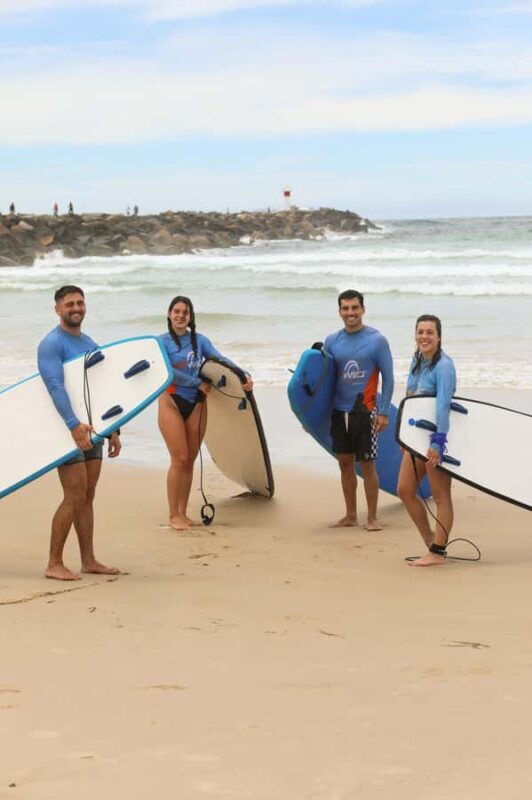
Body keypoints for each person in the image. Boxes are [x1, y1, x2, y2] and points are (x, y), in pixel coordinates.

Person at [37, 285, 121, 581]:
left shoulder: (89, 343)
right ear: (57, 309)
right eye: (69, 303)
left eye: (80, 302)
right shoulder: (51, 344)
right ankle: (54, 562)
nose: (76, 308)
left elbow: (100, 389)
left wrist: (113, 429)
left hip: (93, 429)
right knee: (73, 494)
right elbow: (55, 387)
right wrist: (73, 425)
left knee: (87, 495)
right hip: (67, 428)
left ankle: (88, 560)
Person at [158, 295, 253, 531]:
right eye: (176, 311)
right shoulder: (160, 343)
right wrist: (194, 382)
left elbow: (220, 359)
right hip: (171, 399)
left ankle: (182, 512)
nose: (181, 316)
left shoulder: (200, 341)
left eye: (185, 312)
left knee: (190, 459)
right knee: (179, 458)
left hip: (197, 402)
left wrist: (243, 375)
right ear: (169, 314)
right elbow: (167, 371)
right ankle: (172, 515)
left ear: (191, 317)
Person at [324, 289, 394, 530]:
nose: (350, 313)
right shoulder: (331, 341)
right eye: (345, 308)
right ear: (339, 311)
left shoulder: (377, 340)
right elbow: (324, 380)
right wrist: (312, 414)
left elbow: (389, 377)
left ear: (363, 309)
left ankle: (372, 518)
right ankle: (350, 515)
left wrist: (384, 411)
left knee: (367, 464)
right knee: (344, 463)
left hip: (365, 410)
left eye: (355, 308)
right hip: (338, 410)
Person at [397, 314, 456, 567]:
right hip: (416, 436)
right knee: (405, 490)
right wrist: (404, 433)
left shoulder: (444, 365)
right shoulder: (417, 360)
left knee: (441, 496)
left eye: (429, 332)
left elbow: (443, 405)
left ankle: (438, 552)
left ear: (439, 336)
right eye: (420, 332)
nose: (424, 337)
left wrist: (437, 443)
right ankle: (431, 541)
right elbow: (410, 395)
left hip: (437, 437)